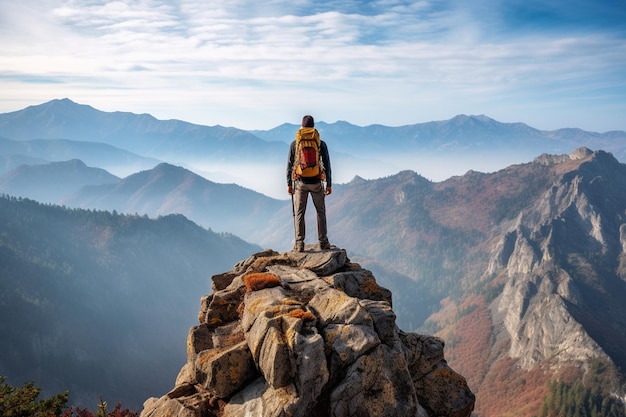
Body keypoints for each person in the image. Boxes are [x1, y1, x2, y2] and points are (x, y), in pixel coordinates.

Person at [287, 115, 332, 252]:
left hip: (300, 183)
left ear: (302, 127)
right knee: (321, 212)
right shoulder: (320, 143)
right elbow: (327, 164)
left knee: (299, 213)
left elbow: (289, 165)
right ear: (313, 127)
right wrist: (328, 184)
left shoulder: (296, 143)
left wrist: (289, 184)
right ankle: (323, 242)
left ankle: (299, 244)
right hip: (317, 182)